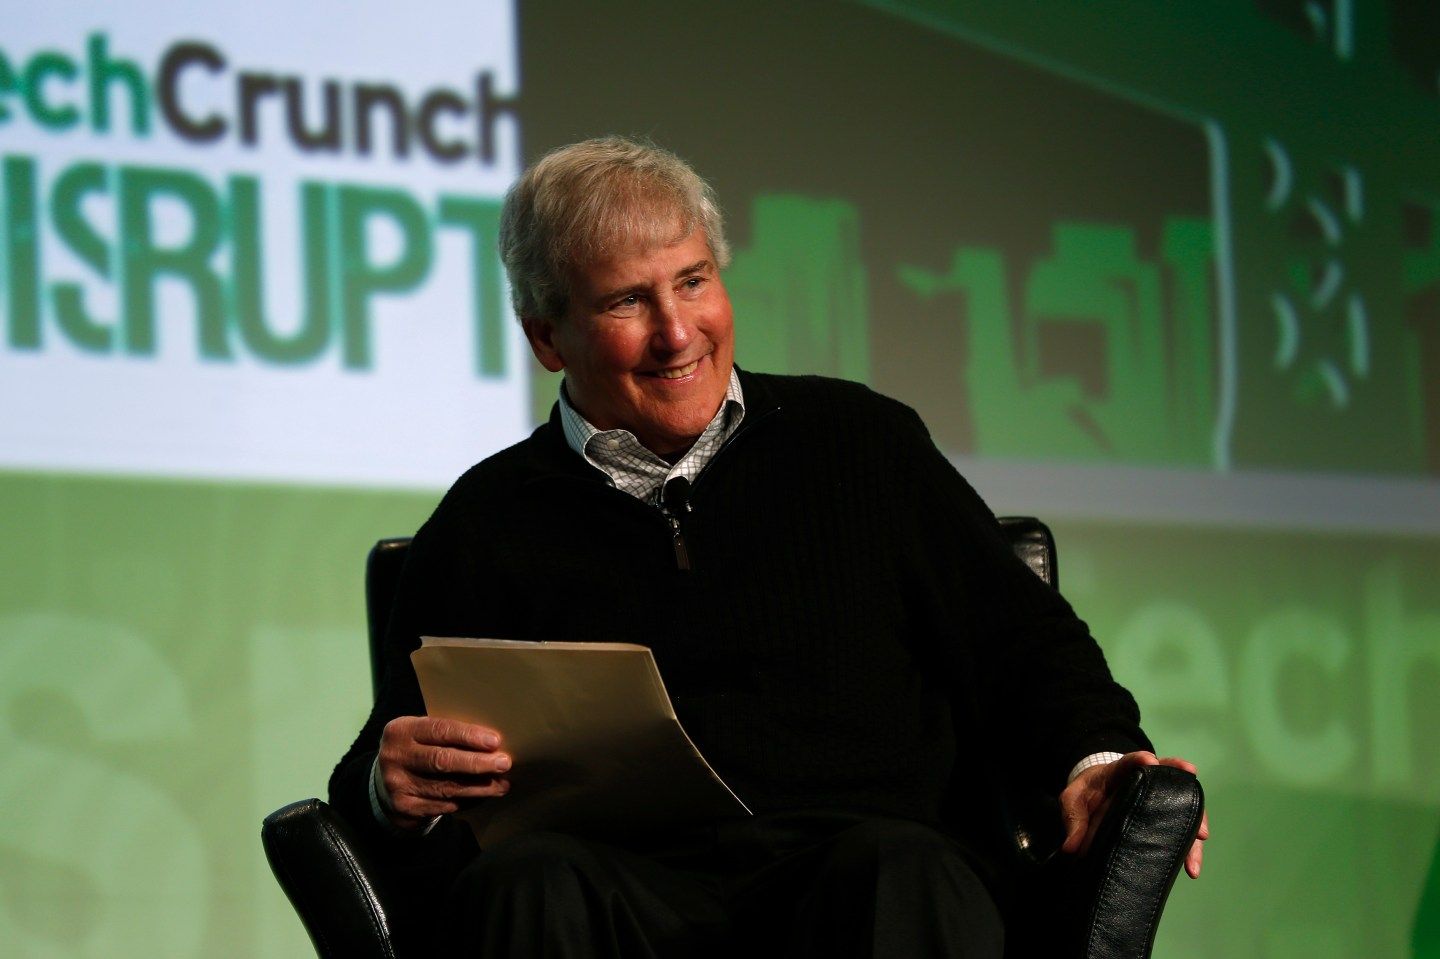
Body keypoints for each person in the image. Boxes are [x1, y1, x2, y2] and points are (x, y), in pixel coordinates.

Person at [329, 136, 1207, 957]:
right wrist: (387, 789)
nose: (678, 332)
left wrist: (1096, 759)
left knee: (908, 870)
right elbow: (391, 758)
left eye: (694, 281)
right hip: (621, 895)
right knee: (523, 886)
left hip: (859, 871)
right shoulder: (487, 520)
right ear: (547, 336)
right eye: (628, 301)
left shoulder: (863, 444)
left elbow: (1026, 647)